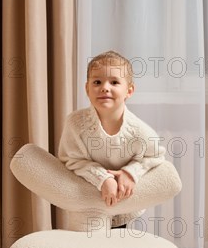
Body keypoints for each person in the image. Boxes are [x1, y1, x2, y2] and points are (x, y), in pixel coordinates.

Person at [58, 50, 166, 228]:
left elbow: (156, 156)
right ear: (87, 88)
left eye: (114, 82)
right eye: (97, 82)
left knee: (118, 246)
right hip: (87, 196)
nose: (105, 87)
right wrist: (103, 178)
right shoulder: (75, 124)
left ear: (129, 91)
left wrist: (130, 172)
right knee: (89, 244)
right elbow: (71, 159)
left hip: (124, 199)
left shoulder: (139, 131)